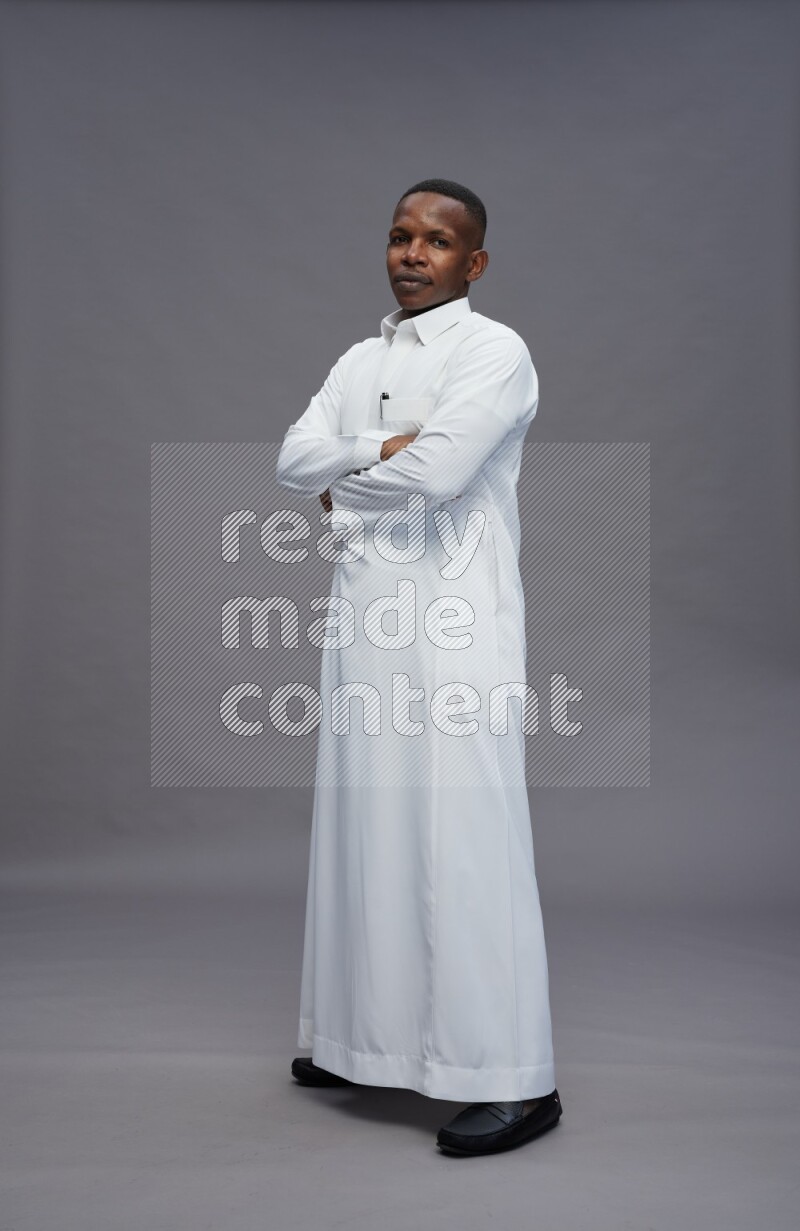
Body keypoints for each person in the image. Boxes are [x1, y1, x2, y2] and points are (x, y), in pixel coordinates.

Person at [275, 179, 562, 1156]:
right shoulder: (360, 358)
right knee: (363, 829)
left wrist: (345, 501)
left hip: (452, 629)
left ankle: (513, 1079)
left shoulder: (494, 351)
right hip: (364, 628)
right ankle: (359, 1042)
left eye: (435, 241)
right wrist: (370, 446)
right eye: (399, 235)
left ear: (471, 262)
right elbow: (292, 454)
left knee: (460, 844)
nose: (411, 252)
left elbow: (440, 470)